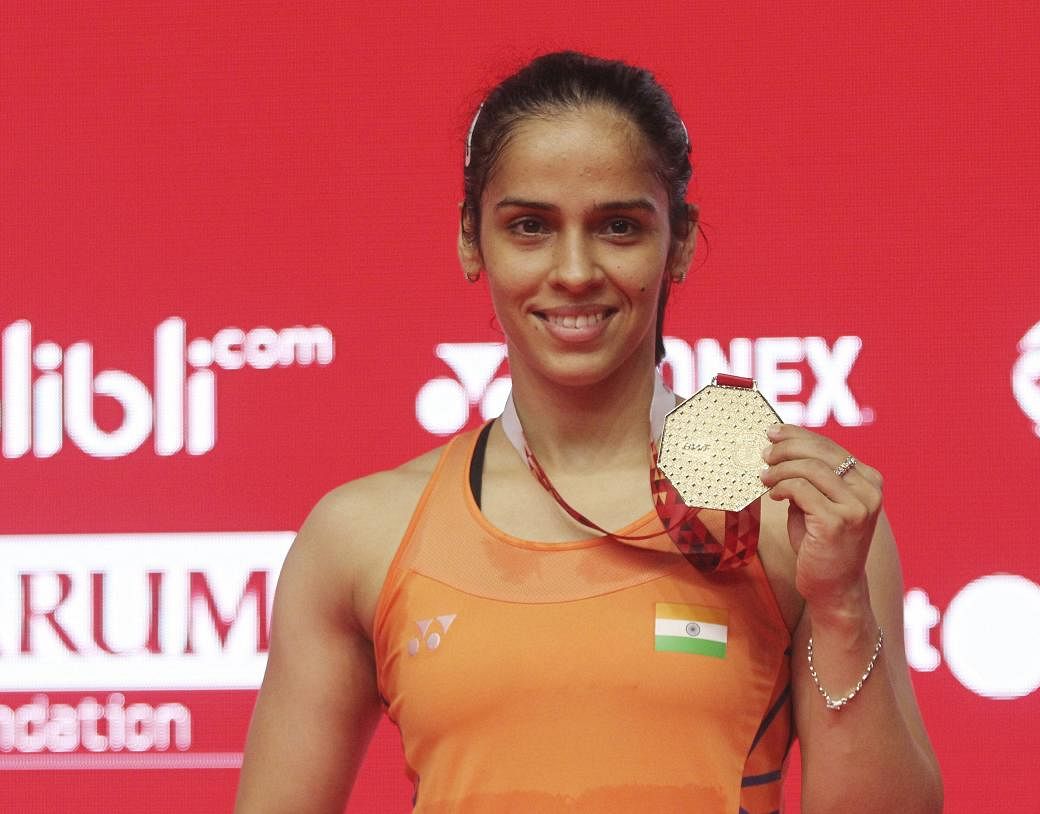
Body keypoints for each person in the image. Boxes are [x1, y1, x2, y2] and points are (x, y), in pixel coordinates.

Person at [235, 51, 943, 813]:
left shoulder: (799, 516)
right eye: (530, 226)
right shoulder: (362, 535)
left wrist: (840, 604)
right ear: (473, 241)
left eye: (618, 226)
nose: (574, 270)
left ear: (678, 244)